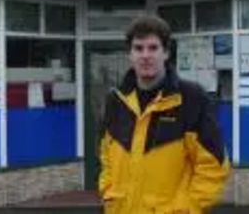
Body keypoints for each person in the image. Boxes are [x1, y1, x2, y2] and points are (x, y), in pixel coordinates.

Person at [98, 15, 230, 214]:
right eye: (138, 48)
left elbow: (214, 165)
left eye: (153, 48)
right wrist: (108, 194)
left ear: (166, 52)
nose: (145, 55)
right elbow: (106, 156)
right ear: (130, 55)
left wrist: (188, 208)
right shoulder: (116, 100)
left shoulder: (191, 99)